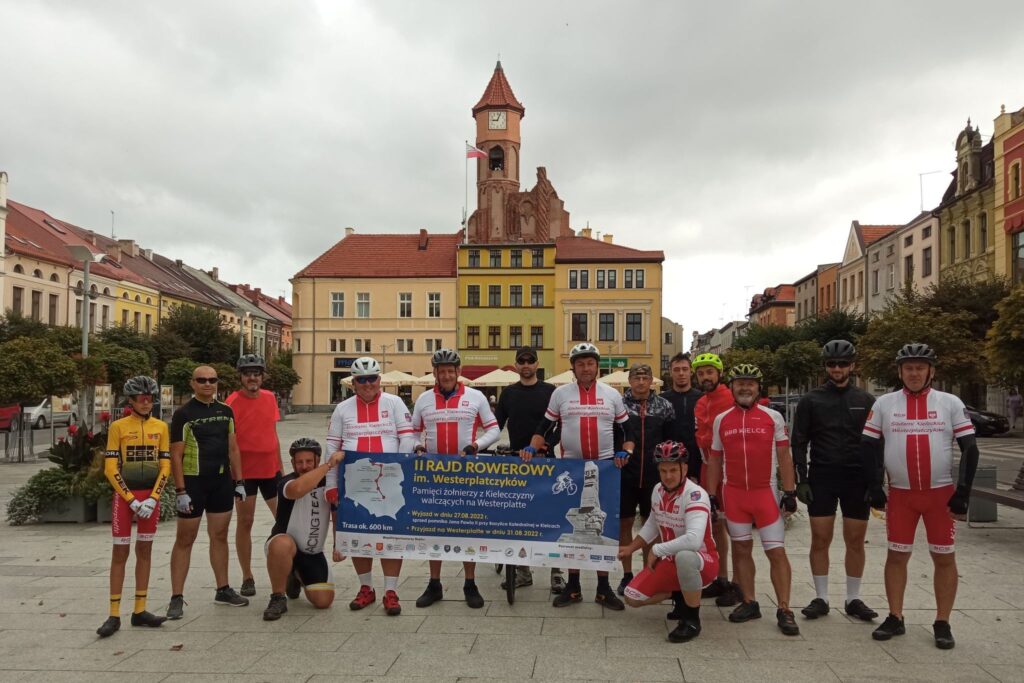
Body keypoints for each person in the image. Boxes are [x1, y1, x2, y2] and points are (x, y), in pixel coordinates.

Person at [862, 343, 979, 650]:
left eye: (920, 368)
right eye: (908, 368)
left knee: (944, 557)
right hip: (901, 496)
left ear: (931, 371)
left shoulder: (949, 402)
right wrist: (875, 487)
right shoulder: (885, 404)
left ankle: (942, 621)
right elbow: (869, 448)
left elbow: (970, 448)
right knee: (897, 556)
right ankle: (895, 616)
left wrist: (963, 492)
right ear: (900, 371)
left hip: (939, 494)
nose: (914, 373)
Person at [527, 342, 635, 611]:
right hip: (571, 469)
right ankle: (573, 586)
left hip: (607, 468)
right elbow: (545, 425)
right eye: (580, 364)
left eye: (590, 363)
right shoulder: (561, 394)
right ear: (573, 368)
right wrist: (532, 445)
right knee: (573, 529)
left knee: (601, 529)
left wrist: (627, 452)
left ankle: (603, 587)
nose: (585, 368)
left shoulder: (611, 395)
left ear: (597, 367)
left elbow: (627, 431)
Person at [705, 364, 800, 636]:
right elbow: (714, 459)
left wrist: (790, 492)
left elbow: (784, 457)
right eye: (739, 383)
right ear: (731, 387)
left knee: (776, 552)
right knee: (741, 551)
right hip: (734, 495)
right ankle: (749, 601)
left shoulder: (773, 417)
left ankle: (784, 608)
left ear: (759, 387)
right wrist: (712, 495)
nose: (745, 388)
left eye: (750, 383)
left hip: (765, 495)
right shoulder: (722, 419)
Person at [791, 340, 878, 622]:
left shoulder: (865, 401)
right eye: (832, 364)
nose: (837, 368)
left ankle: (853, 598)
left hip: (857, 478)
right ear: (825, 366)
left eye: (842, 364)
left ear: (852, 366)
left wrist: (876, 483)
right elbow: (799, 441)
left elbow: (877, 443)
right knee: (820, 538)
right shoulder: (811, 400)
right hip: (822, 476)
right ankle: (822, 597)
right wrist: (801, 479)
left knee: (855, 540)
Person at [324, 356, 416, 615]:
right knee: (359, 536)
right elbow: (332, 447)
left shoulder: (394, 402)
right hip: (353, 484)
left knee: (390, 537)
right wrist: (331, 484)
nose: (367, 384)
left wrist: (398, 467)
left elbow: (407, 438)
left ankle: (391, 591)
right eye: (361, 380)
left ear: (379, 379)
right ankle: (366, 588)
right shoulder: (343, 409)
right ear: (353, 383)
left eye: (372, 378)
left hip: (389, 482)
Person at [412, 349, 500, 609]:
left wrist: (476, 445)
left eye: (451, 370)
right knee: (434, 528)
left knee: (467, 528)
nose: (447, 375)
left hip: (466, 473)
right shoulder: (424, 399)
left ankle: (470, 583)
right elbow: (411, 431)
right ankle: (434, 583)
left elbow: (494, 429)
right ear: (435, 373)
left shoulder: (475, 397)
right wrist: (417, 447)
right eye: (442, 371)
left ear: (458, 372)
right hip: (433, 474)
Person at [166, 365, 249, 619]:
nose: (207, 384)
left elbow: (233, 449)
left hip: (221, 483)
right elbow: (176, 455)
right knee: (185, 539)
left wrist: (240, 481)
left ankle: (222, 589)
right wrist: (180, 490)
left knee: (220, 535)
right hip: (193, 484)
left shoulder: (226, 411)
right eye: (202, 380)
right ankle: (176, 596)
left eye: (212, 380)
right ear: (192, 383)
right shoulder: (183, 414)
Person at [619, 441, 718, 643]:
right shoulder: (658, 490)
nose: (668, 476)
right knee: (632, 597)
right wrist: (630, 548)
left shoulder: (695, 494)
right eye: (663, 471)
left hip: (702, 561)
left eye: (673, 470)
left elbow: (693, 540)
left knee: (685, 556)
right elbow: (652, 525)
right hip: (671, 560)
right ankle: (681, 595)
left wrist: (656, 549)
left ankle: (692, 620)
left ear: (685, 468)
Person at [96, 376, 171, 637]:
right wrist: (131, 500)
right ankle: (113, 614)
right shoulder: (118, 427)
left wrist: (153, 498)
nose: (147, 402)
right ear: (131, 401)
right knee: (120, 554)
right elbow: (110, 467)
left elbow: (165, 465)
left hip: (150, 498)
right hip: (125, 499)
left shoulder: (161, 427)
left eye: (150, 398)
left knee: (145, 551)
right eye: (142, 398)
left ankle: (140, 609)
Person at [494, 345, 564, 594]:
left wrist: (548, 445)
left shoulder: (550, 391)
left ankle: (557, 572)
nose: (525, 365)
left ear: (537, 364)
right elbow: (496, 425)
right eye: (521, 361)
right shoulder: (509, 394)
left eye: (530, 361)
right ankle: (523, 572)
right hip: (516, 462)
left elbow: (560, 425)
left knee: (552, 518)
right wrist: (478, 444)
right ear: (515, 365)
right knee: (518, 519)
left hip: (545, 461)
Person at [262, 438, 341, 620]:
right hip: (284, 546)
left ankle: (295, 575)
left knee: (323, 602)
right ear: (292, 463)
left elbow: (337, 514)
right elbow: (298, 490)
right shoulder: (287, 482)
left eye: (308, 461)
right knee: (282, 544)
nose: (304, 466)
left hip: (312, 552)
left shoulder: (329, 484)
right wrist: (329, 465)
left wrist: (339, 544)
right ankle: (278, 597)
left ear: (316, 460)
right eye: (299, 462)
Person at [225, 354, 282, 598]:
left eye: (256, 373)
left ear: (262, 376)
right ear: (241, 377)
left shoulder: (270, 398)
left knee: (284, 521)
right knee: (245, 522)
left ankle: (288, 570)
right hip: (244, 472)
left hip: (270, 469)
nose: (252, 377)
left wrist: (281, 467)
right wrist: (234, 475)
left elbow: (273, 432)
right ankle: (247, 575)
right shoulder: (232, 402)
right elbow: (230, 442)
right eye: (248, 373)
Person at [618, 363, 676, 596]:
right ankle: (626, 574)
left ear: (651, 380)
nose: (641, 382)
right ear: (629, 381)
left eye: (645, 377)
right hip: (626, 473)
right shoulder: (619, 405)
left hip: (654, 476)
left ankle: (647, 574)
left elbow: (671, 441)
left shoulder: (664, 406)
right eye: (636, 378)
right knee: (624, 524)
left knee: (651, 526)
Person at [691, 352, 741, 606]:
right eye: (700, 373)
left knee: (737, 528)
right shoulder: (700, 402)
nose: (705, 377)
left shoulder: (731, 397)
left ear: (719, 374)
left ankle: (739, 584)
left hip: (731, 470)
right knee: (716, 526)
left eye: (710, 372)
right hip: (708, 468)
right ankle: (721, 578)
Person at [660, 352, 704, 619]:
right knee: (672, 529)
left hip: (699, 468)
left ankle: (709, 577)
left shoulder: (702, 398)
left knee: (701, 528)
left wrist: (699, 473)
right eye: (676, 369)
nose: (680, 373)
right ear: (671, 372)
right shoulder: (664, 400)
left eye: (685, 369)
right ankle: (676, 592)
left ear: (691, 372)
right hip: (670, 472)